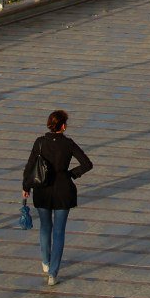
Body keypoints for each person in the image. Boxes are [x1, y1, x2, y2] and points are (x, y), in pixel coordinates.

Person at [23, 110, 93, 286]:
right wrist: (71, 174)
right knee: (59, 231)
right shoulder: (68, 144)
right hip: (63, 191)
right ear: (63, 126)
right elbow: (87, 163)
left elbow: (30, 166)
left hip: (42, 190)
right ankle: (53, 273)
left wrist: (26, 187)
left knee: (45, 227)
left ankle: (45, 263)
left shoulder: (39, 142)